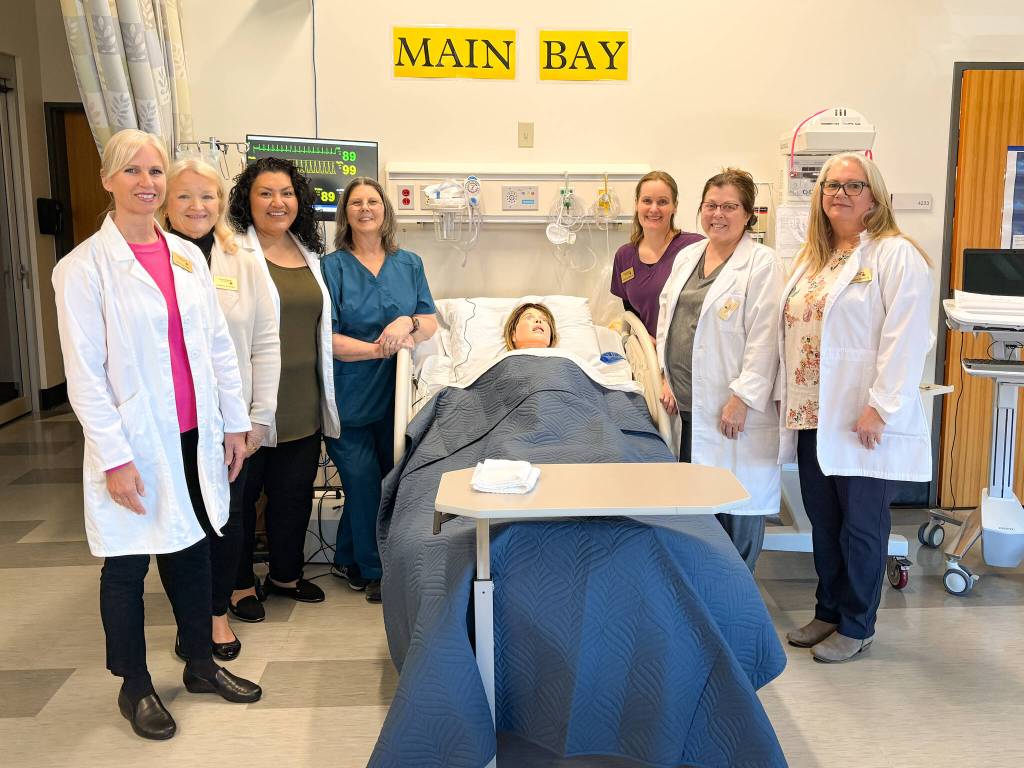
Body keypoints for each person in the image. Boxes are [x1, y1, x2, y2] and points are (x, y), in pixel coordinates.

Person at [52, 129, 262, 741]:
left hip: (195, 432)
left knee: (191, 550)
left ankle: (199, 664)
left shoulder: (186, 256)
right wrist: (114, 458)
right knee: (126, 564)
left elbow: (217, 348)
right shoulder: (82, 269)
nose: (146, 182)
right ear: (108, 180)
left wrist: (234, 422)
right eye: (132, 170)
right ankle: (134, 684)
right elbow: (85, 375)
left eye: (154, 171)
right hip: (134, 440)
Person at [779, 152, 932, 663]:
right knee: (824, 521)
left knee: (862, 526)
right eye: (831, 185)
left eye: (853, 185)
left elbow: (907, 338)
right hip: (811, 413)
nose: (840, 193)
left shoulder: (895, 254)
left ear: (875, 195)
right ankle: (828, 610)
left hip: (861, 416)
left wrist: (881, 407)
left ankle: (857, 624)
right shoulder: (814, 258)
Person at [162, 158, 280, 654]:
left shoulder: (243, 262)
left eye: (207, 196)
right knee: (180, 524)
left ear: (221, 202)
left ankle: (215, 616)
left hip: (231, 422)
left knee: (227, 521)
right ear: (165, 202)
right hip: (173, 421)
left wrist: (259, 416)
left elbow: (266, 343)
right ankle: (188, 620)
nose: (197, 206)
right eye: (184, 196)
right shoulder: (151, 260)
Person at [227, 157, 340, 614]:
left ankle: (285, 575)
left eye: (287, 193)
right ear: (247, 200)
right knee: (240, 499)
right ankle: (238, 584)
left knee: (293, 496)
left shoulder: (307, 251)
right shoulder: (231, 251)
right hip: (250, 402)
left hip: (302, 401)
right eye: (266, 193)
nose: (278, 202)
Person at [656, 169, 784, 571]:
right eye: (711, 205)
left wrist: (742, 398)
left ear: (748, 214)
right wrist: (664, 375)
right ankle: (707, 586)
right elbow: (667, 319)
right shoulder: (688, 256)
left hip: (731, 407)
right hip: (686, 407)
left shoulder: (762, 264)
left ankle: (739, 587)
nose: (718, 214)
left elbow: (766, 337)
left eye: (729, 206)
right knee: (698, 508)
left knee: (736, 506)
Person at [321, 177, 437, 603]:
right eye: (356, 203)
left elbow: (429, 321)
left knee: (388, 479)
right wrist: (377, 349)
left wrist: (406, 322)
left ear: (385, 209)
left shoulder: (409, 264)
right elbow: (327, 338)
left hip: (396, 392)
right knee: (363, 480)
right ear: (345, 214)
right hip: (348, 392)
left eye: (373, 201)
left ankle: (346, 558)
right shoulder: (331, 268)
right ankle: (377, 572)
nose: (365, 208)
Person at [610, 171, 704, 339]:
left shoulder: (695, 247)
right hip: (650, 351)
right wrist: (645, 339)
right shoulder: (624, 257)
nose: (654, 209)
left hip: (689, 348)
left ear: (675, 206)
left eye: (662, 202)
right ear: (637, 204)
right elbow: (632, 311)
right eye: (647, 201)